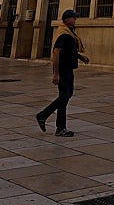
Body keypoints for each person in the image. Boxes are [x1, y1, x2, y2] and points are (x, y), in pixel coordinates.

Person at [35, 8, 89, 136]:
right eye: (73, 17)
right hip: (63, 69)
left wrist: (80, 56)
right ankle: (54, 123)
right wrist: (56, 73)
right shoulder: (63, 33)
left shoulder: (69, 32)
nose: (75, 19)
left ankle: (47, 118)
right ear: (67, 20)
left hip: (68, 68)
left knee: (67, 95)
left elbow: (68, 50)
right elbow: (56, 52)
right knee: (64, 96)